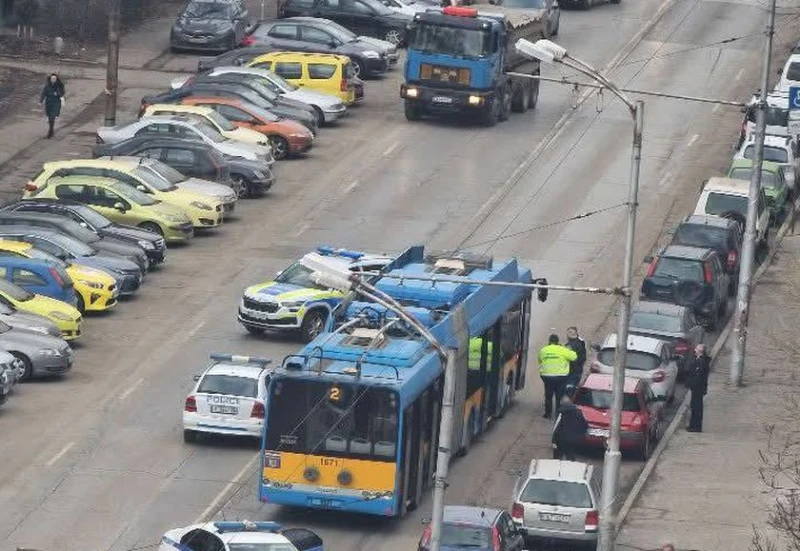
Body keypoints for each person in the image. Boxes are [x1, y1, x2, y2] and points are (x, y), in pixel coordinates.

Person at [538, 333, 576, 419]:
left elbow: (540, 360)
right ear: (557, 341)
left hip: (547, 376)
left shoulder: (544, 350)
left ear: (549, 341)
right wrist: (569, 350)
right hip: (561, 376)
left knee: (548, 395)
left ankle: (548, 413)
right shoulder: (563, 350)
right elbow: (574, 357)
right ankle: (558, 414)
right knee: (559, 396)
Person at [551, 390, 588, 460]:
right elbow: (585, 425)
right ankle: (571, 468)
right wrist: (581, 436)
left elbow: (556, 427)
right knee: (570, 456)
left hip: (561, 439)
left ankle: (556, 468)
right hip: (574, 439)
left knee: (557, 457)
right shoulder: (579, 412)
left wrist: (553, 440)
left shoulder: (561, 413)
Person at [686, 343, 710, 432]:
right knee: (694, 406)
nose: (694, 350)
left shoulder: (701, 362)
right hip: (697, 388)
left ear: (700, 351)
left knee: (697, 407)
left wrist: (691, 383)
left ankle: (696, 426)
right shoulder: (698, 359)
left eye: (696, 348)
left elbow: (698, 376)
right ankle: (692, 425)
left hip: (698, 388)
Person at [40, 73, 65, 139]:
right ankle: (51, 130)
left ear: (56, 79)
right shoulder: (47, 86)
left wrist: (57, 93)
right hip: (49, 103)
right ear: (50, 79)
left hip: (56, 102)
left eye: (54, 79)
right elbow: (43, 93)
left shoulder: (59, 85)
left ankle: (50, 132)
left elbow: (62, 93)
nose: (53, 80)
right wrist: (41, 101)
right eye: (52, 78)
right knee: (50, 117)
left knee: (52, 117)